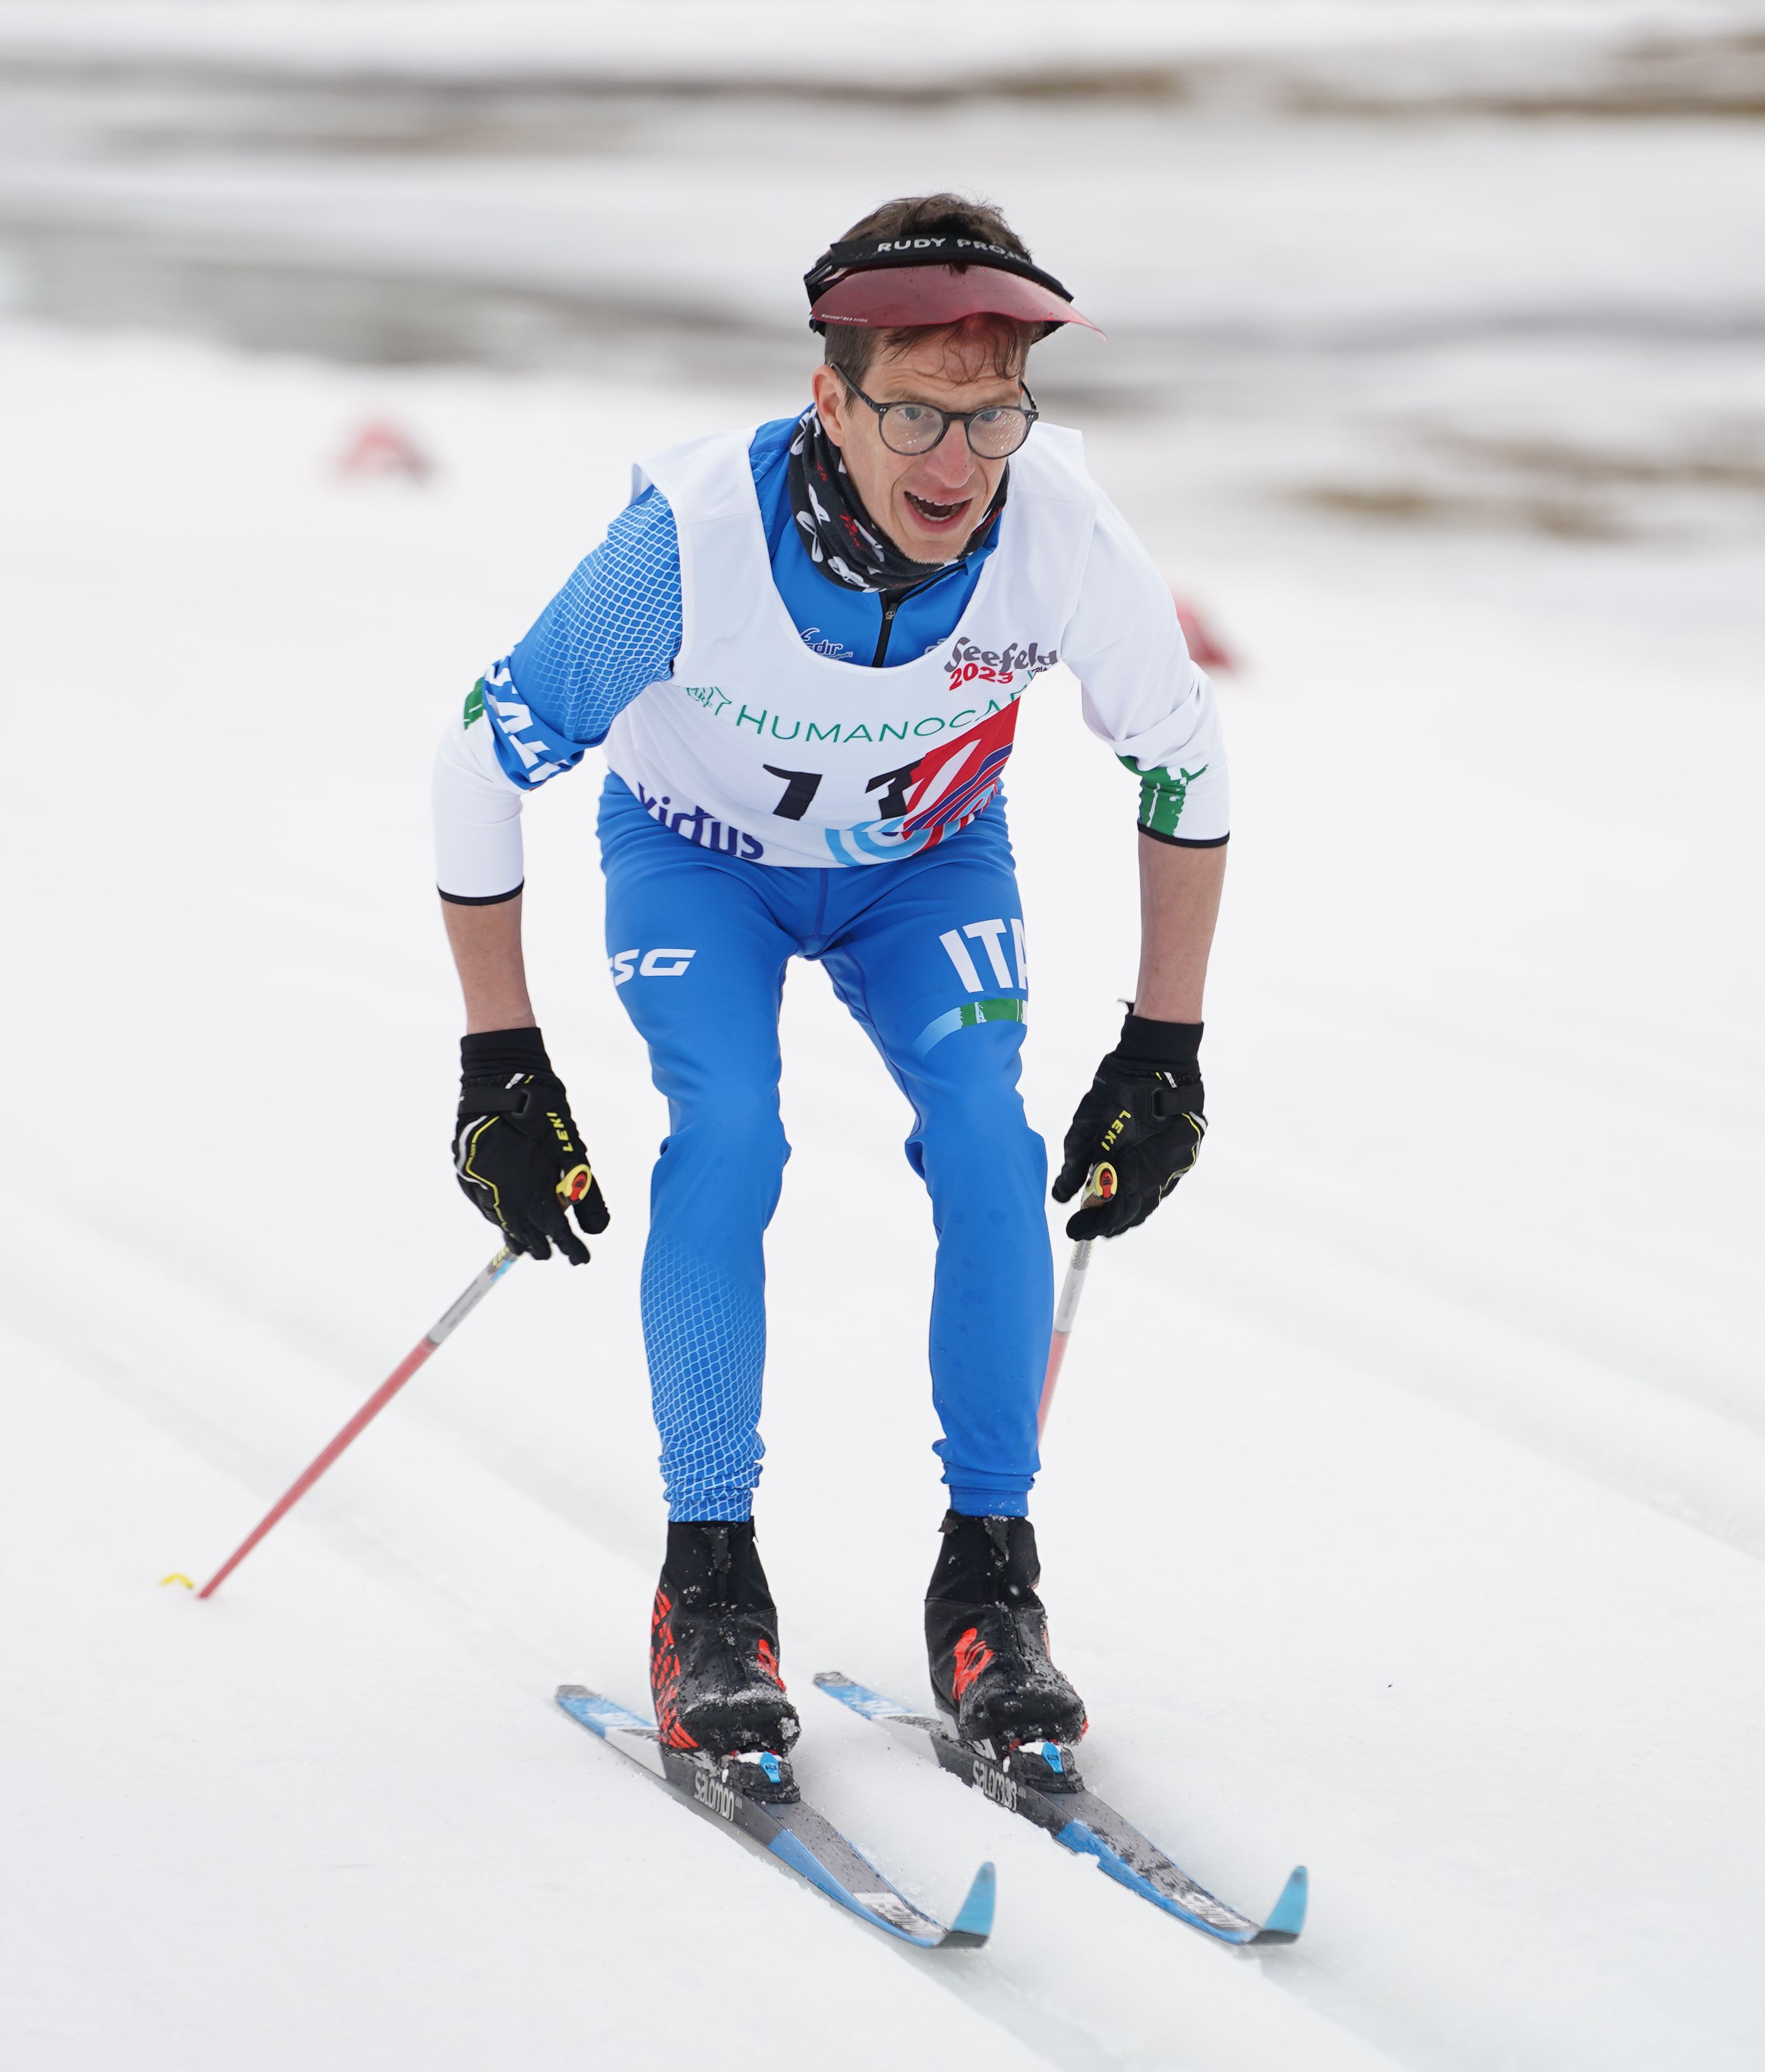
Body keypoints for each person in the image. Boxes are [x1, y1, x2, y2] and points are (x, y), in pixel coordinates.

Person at [432, 194, 1228, 1791]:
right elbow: (478, 760)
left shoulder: (1063, 532)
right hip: (698, 863)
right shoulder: (688, 543)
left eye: (992, 413)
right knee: (730, 1128)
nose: (958, 459)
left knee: (991, 1137)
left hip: (924, 866)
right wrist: (501, 1062)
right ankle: (710, 1588)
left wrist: (1165, 1044)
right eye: (916, 411)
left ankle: (989, 1585)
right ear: (832, 399)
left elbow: (1185, 764)